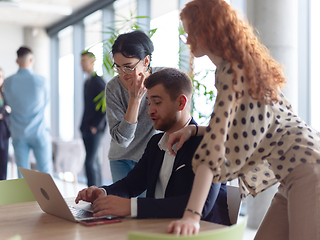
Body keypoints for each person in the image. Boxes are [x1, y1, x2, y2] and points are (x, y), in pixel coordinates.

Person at [167, 0, 320, 239]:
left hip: (307, 168)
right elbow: (235, 128)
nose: (187, 40)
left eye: (191, 32)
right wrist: (194, 131)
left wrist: (191, 215)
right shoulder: (237, 68)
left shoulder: (233, 71)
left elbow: (214, 148)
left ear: (210, 29)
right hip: (292, 172)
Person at [75, 68, 230, 225]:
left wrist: (132, 207)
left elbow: (198, 206)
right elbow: (131, 184)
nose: (150, 111)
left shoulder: (207, 144)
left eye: (157, 102)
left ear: (181, 102)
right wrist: (103, 192)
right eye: (149, 103)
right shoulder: (156, 144)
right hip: (158, 230)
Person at [105, 30, 163, 183]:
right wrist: (135, 99)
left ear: (146, 61)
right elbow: (122, 140)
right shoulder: (113, 87)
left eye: (128, 66)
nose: (123, 73)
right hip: (121, 159)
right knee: (122, 206)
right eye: (117, 66)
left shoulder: (164, 79)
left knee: (146, 206)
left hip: (152, 158)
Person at [3, 47, 52, 178]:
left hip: (19, 133)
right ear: (31, 59)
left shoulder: (8, 82)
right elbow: (46, 102)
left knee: (23, 175)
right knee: (45, 173)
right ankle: (49, 199)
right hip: (39, 132)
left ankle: (25, 199)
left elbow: (7, 102)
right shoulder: (42, 81)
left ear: (16, 60)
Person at [80, 51, 107, 187]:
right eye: (81, 61)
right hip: (86, 127)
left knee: (90, 162)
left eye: (84, 60)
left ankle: (92, 193)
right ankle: (99, 191)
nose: (81, 64)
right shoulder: (87, 82)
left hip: (94, 128)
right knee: (93, 161)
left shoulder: (98, 81)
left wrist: (95, 125)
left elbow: (105, 106)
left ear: (92, 61)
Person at [0, 68, 11, 180]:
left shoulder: (5, 94)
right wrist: (5, 111)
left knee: (3, 164)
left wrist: (4, 113)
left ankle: (2, 194)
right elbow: (6, 110)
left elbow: (9, 109)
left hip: (4, 132)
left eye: (1, 76)